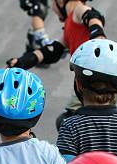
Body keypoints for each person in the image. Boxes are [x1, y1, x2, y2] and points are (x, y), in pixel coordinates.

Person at [7, 0, 106, 128]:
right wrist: (22, 62)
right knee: (71, 123)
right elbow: (52, 51)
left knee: (69, 124)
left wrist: (98, 35)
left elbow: (92, 15)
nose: (51, 7)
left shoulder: (78, 10)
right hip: (86, 83)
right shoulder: (69, 25)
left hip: (94, 83)